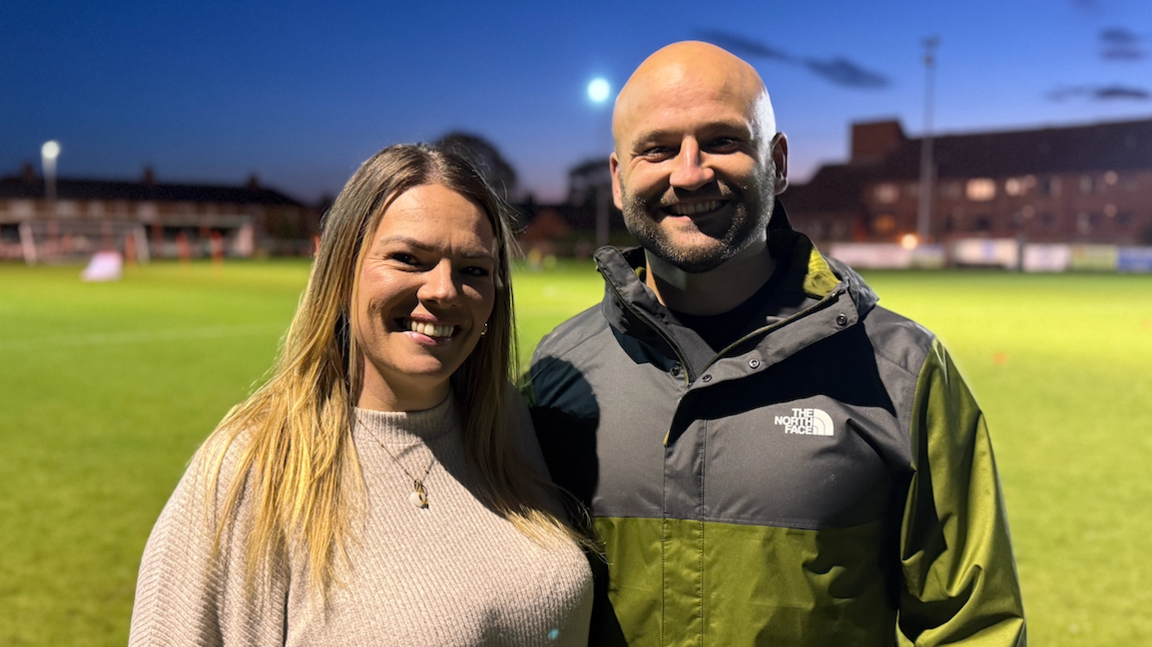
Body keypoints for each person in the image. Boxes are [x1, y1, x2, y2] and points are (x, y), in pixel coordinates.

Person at [525, 41, 1026, 645]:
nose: (690, 172)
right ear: (617, 178)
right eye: (658, 148)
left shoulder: (902, 371)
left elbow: (974, 628)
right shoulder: (559, 370)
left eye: (723, 141)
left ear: (778, 161)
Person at [129, 144, 593, 646]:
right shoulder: (251, 468)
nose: (443, 291)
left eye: (473, 270)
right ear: (341, 268)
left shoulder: (503, 422)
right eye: (408, 258)